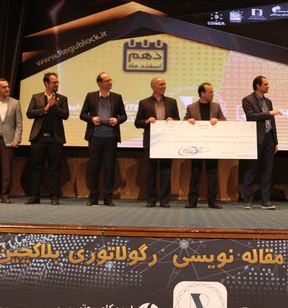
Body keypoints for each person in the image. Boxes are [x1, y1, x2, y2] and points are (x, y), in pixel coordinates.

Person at [79, 72, 127, 206]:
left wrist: (117, 120)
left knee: (109, 168)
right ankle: (93, 197)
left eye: (110, 80)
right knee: (94, 168)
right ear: (100, 83)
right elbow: (82, 114)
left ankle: (108, 197)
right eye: (107, 80)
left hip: (111, 137)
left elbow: (124, 116)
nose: (110, 82)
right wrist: (91, 119)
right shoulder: (90, 96)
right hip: (95, 137)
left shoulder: (117, 97)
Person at [135, 77, 180, 207]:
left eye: (164, 84)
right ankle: (151, 199)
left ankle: (165, 200)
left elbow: (178, 119)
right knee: (151, 172)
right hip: (151, 142)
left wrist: (173, 120)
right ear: (153, 87)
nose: (164, 86)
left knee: (166, 172)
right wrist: (147, 121)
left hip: (166, 142)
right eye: (161, 84)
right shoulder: (144, 103)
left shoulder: (172, 102)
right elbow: (137, 123)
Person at [25, 72, 69, 205]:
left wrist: (54, 106)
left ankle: (54, 196)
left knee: (54, 169)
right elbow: (29, 113)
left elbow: (65, 115)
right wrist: (45, 109)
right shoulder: (36, 97)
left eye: (57, 82)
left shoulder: (62, 99)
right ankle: (35, 196)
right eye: (54, 82)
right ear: (46, 83)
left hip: (55, 139)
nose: (56, 84)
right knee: (36, 168)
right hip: (38, 138)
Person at [241, 75, 283, 210]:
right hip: (255, 139)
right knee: (251, 169)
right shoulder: (247, 100)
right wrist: (270, 113)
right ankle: (248, 201)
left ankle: (266, 201)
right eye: (265, 84)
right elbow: (251, 116)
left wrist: (275, 141)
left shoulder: (268, 101)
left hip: (269, 138)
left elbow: (272, 122)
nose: (268, 86)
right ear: (258, 86)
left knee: (267, 170)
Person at [183, 82, 226, 209]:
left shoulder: (216, 106)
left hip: (212, 145)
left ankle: (213, 201)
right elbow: (183, 122)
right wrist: (188, 121)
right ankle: (192, 201)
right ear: (202, 94)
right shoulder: (191, 107)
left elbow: (224, 121)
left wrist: (218, 121)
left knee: (212, 173)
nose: (213, 94)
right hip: (196, 145)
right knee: (195, 173)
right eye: (210, 92)